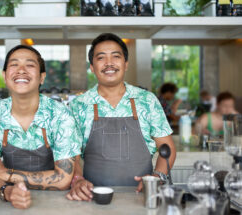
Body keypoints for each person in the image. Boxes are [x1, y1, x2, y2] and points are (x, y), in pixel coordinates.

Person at [67, 33, 176, 201]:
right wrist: (78, 180)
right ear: (92, 66)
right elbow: (70, 153)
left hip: (143, 198)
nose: (109, 63)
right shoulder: (78, 105)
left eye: (116, 57)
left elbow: (167, 148)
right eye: (101, 58)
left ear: (126, 64)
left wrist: (157, 177)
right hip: (91, 198)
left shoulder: (147, 100)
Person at [0, 45, 82, 209]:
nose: (21, 70)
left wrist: (4, 173)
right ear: (4, 75)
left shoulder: (60, 115)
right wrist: (8, 192)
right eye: (14, 64)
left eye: (30, 65)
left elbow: (63, 179)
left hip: (57, 204)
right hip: (8, 202)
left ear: (42, 77)